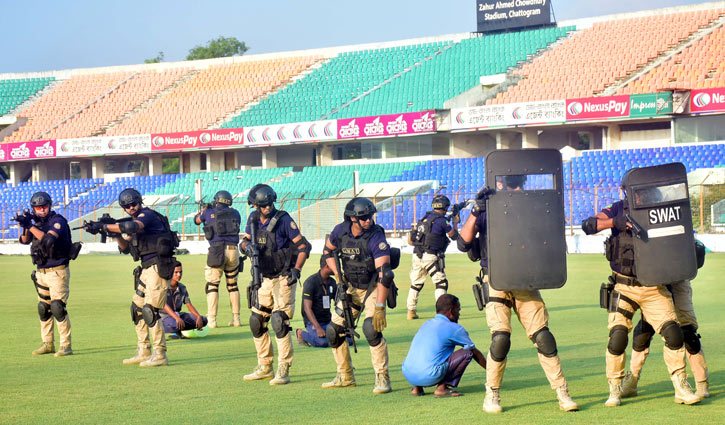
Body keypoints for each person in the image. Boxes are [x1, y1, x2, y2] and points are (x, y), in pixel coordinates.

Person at [459, 176, 578, 413]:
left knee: (543, 337)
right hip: (496, 279)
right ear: (500, 184)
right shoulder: (487, 208)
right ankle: (492, 394)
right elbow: (464, 242)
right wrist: (475, 211)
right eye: (511, 184)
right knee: (500, 339)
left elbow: (548, 239)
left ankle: (562, 391)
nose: (516, 189)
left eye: (519, 184)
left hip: (525, 279)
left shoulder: (530, 207)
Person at [581, 174, 701, 406]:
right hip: (623, 286)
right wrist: (614, 222)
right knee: (617, 337)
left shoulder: (662, 208)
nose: (640, 195)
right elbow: (589, 225)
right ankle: (615, 388)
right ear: (627, 191)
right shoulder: (616, 208)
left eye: (644, 190)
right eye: (635, 190)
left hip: (654, 287)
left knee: (673, 333)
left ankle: (681, 386)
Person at [88, 188, 178, 367]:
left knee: (150, 310)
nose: (131, 208)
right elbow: (125, 248)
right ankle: (144, 351)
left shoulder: (147, 216)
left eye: (133, 204)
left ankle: (160, 354)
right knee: (137, 308)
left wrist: (105, 226)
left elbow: (132, 227)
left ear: (139, 201)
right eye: (126, 206)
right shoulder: (134, 220)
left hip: (159, 265)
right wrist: (113, 234)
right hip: (146, 267)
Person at [321, 197, 393, 394]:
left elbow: (384, 274)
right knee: (334, 331)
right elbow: (328, 252)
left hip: (372, 286)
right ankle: (345, 376)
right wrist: (338, 277)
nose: (368, 220)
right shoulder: (340, 231)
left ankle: (382, 376)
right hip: (350, 286)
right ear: (352, 219)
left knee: (371, 329)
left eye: (370, 216)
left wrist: (379, 307)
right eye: (363, 218)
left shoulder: (376, 236)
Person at [240, 184, 309, 385]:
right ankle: (264, 365)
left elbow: (303, 246)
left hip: (284, 276)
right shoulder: (252, 219)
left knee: (279, 321)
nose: (267, 208)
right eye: (263, 205)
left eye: (269, 204)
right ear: (254, 205)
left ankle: (283, 368)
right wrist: (247, 247)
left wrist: (296, 270)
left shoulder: (284, 220)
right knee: (256, 321)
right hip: (264, 278)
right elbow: (243, 242)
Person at [621, 280, 710, 399]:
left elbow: (696, 262)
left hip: (678, 282)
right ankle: (632, 381)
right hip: (653, 285)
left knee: (688, 333)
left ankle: (701, 383)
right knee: (644, 330)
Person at [17, 192, 79, 357]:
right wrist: (24, 223)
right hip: (41, 271)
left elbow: (48, 241)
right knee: (43, 308)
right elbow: (24, 240)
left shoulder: (57, 221)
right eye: (38, 207)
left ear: (49, 206)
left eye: (44, 206)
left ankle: (65, 345)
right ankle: (47, 343)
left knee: (57, 307)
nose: (42, 210)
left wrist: (30, 225)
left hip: (57, 271)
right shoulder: (35, 223)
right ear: (34, 209)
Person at [402, 294, 486, 397]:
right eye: (458, 310)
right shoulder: (455, 328)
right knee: (467, 352)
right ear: (451, 312)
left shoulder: (426, 324)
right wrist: (491, 370)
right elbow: (473, 351)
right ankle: (442, 388)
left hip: (408, 373)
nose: (459, 314)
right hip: (430, 375)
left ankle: (416, 388)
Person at [194, 190, 242, 328]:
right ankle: (236, 319)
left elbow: (197, 220)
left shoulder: (208, 212)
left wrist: (206, 209)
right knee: (233, 286)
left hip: (217, 250)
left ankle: (212, 320)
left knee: (213, 285)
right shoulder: (236, 213)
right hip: (233, 250)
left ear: (217, 200)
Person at [407, 194, 459, 320]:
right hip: (430, 256)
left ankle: (411, 311)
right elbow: (454, 236)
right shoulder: (442, 221)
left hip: (417, 254)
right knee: (441, 283)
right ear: (445, 207)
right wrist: (455, 222)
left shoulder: (425, 217)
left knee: (416, 284)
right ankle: (443, 313)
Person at [296, 253, 337, 348]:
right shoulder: (310, 282)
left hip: (328, 321)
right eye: (334, 265)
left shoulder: (332, 282)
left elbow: (338, 303)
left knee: (348, 340)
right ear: (327, 266)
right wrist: (318, 327)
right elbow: (307, 308)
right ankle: (301, 334)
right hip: (313, 322)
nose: (337, 268)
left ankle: (327, 334)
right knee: (323, 343)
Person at [161, 261, 208, 338]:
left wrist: (198, 317)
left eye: (180, 272)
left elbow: (189, 305)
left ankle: (178, 333)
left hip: (178, 315)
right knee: (176, 323)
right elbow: (164, 306)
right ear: (170, 272)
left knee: (204, 320)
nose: (179, 275)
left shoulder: (182, 287)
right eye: (176, 272)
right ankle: (163, 332)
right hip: (164, 317)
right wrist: (177, 318)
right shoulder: (163, 286)